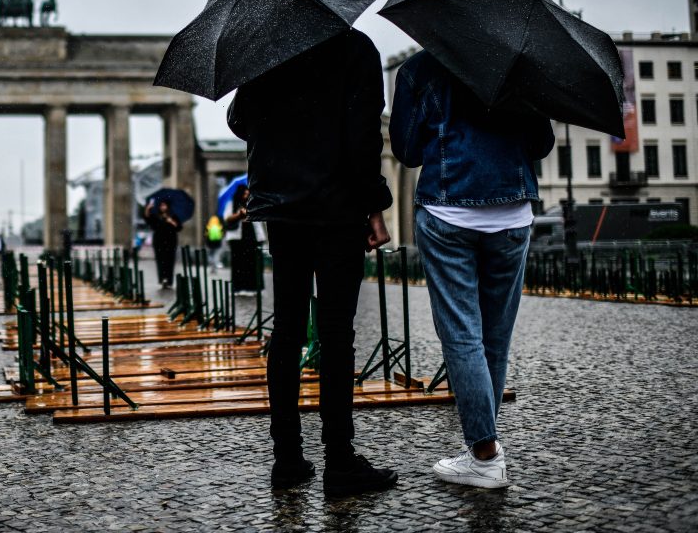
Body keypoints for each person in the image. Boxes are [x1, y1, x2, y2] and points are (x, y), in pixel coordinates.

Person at [227, 28, 396, 495]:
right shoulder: (356, 48)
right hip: (338, 207)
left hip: (282, 207)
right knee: (337, 333)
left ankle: (287, 459)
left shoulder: (266, 47)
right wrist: (374, 206)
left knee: (287, 330)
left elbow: (241, 121)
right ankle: (339, 462)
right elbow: (364, 137)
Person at [390, 50, 554, 490]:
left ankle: (484, 454)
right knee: (495, 338)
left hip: (448, 212)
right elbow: (540, 144)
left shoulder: (421, 69)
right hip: (513, 213)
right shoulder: (518, 64)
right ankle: (485, 447)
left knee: (462, 335)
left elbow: (405, 151)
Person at [223, 184, 260, 294]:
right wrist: (239, 215)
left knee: (251, 262)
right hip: (237, 237)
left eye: (247, 193)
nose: (246, 195)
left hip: (250, 235)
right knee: (238, 262)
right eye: (244, 193)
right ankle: (238, 287)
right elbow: (227, 218)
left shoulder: (252, 203)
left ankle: (251, 287)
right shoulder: (232, 203)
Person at [144, 199, 182, 288]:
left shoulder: (173, 216)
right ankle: (162, 279)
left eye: (164, 205)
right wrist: (147, 209)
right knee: (160, 261)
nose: (163, 207)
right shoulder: (156, 216)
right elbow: (148, 220)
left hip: (170, 242)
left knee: (169, 261)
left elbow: (179, 227)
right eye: (161, 206)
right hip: (159, 242)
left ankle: (169, 280)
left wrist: (171, 221)